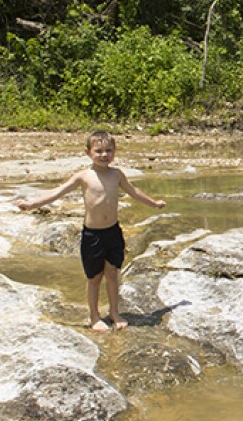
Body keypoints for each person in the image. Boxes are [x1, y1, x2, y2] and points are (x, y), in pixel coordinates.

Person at [17, 131, 166, 331]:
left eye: (109, 151)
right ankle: (94, 316)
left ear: (115, 152)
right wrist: (32, 203)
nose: (104, 155)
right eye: (99, 151)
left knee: (112, 273)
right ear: (88, 153)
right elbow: (58, 192)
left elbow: (134, 191)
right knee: (94, 277)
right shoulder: (84, 176)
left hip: (113, 232)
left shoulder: (117, 174)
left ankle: (114, 312)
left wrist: (154, 203)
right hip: (93, 235)